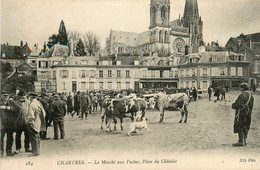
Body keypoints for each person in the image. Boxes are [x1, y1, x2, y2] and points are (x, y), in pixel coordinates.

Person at [0, 91, 19, 157]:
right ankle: (1, 152)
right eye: (4, 96)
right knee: (0, 138)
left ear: (8, 96)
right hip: (1, 123)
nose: (5, 97)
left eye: (6, 96)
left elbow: (18, 109)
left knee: (10, 138)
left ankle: (9, 151)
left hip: (10, 123)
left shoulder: (11, 102)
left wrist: (9, 108)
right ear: (1, 96)